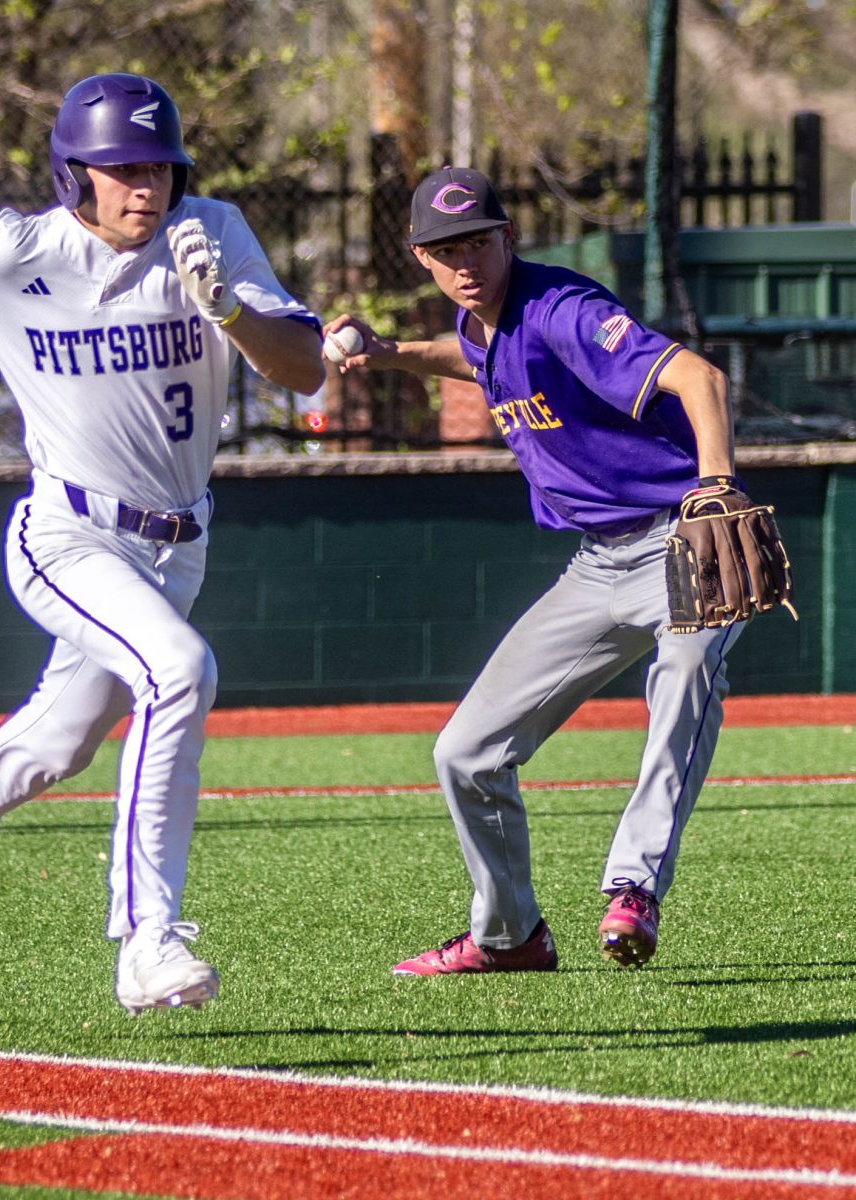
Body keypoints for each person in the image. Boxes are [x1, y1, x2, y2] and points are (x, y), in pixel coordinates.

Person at [0, 73, 323, 1015]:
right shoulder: (14, 251)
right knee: (178, 671)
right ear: (73, 174)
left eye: (160, 168)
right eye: (121, 168)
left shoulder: (208, 232)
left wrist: (231, 312)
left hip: (180, 545)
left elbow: (302, 371)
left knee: (60, 744)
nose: (146, 187)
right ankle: (147, 939)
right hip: (66, 532)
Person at [325, 165, 790, 975]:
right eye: (445, 248)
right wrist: (390, 351)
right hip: (593, 567)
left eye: (477, 240)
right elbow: (474, 356)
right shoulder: (483, 319)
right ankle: (510, 937)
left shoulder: (561, 309)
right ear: (420, 259)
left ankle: (632, 888)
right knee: (464, 752)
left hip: (682, 542)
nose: (464, 260)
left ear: (506, 238)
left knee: (684, 675)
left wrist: (714, 485)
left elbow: (697, 377)